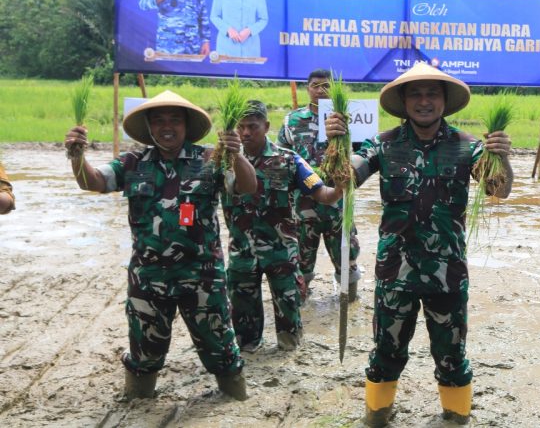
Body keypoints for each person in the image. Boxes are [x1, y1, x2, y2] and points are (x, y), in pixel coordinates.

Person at [324, 63, 514, 426]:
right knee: (385, 353)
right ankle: (377, 415)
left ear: (444, 100)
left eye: (432, 94)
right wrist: (335, 144)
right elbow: (342, 183)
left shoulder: (468, 147)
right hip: (395, 275)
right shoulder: (383, 144)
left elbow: (499, 190)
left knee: (451, 356)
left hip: (447, 276)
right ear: (404, 101)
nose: (424, 101)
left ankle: (455, 418)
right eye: (415, 94)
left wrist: (501, 155)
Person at [63, 90, 257, 401]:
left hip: (203, 276)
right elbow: (93, 182)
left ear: (186, 125)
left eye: (175, 120)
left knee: (221, 348)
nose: (167, 127)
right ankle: (138, 401)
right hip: (148, 277)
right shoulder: (132, 162)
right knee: (144, 353)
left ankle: (235, 399)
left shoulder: (210, 159)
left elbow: (247, 187)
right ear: (149, 127)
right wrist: (77, 156)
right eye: (159, 121)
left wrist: (237, 154)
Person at [222, 101, 343, 352]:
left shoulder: (289, 159)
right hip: (242, 251)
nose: (246, 133)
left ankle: (289, 349)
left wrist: (341, 187)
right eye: (241, 127)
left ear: (266, 126)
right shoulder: (223, 162)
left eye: (252, 127)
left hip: (281, 251)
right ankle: (249, 350)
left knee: (289, 311)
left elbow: (323, 194)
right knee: (243, 316)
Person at [277, 69, 361, 301]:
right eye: (315, 85)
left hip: (339, 204)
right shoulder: (292, 120)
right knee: (301, 258)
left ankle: (349, 300)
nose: (321, 90)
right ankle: (301, 302)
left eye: (326, 86)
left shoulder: (347, 117)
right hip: (303, 205)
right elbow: (281, 158)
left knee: (347, 256)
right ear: (307, 88)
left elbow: (364, 154)